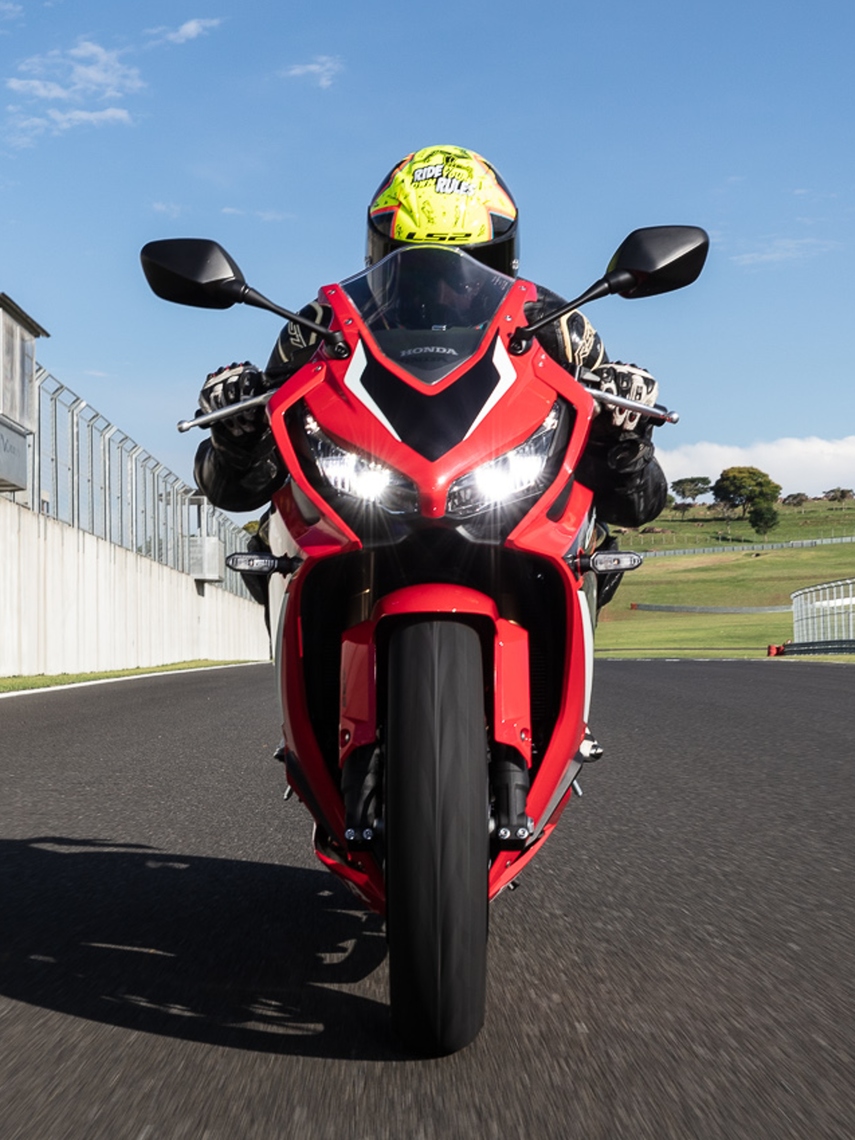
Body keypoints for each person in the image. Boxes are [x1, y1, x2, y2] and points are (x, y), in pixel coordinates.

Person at [195, 145, 668, 601]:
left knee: (598, 534)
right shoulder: (319, 324)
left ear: (502, 260)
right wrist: (237, 430)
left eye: (468, 268)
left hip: (510, 497)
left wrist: (622, 430)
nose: (441, 288)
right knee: (271, 535)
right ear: (379, 254)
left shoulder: (556, 322)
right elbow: (244, 481)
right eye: (416, 268)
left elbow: (635, 503)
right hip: (364, 499)